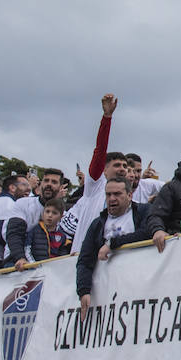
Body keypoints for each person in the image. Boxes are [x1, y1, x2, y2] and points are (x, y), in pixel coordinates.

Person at [76, 179, 152, 312]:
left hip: (142, 287)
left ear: (129, 195)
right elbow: (84, 260)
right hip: (109, 294)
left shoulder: (143, 211)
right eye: (108, 194)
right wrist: (84, 291)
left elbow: (147, 232)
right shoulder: (97, 224)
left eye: (117, 194)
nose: (112, 198)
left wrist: (112, 244)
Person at [58, 94, 123, 249]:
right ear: (104, 170)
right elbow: (100, 150)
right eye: (117, 165)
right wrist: (107, 118)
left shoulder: (127, 196)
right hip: (83, 257)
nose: (122, 169)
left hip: (110, 258)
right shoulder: (96, 186)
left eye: (125, 166)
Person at [6, 168, 66, 271]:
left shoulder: (64, 215)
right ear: (41, 183)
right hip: (17, 262)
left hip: (47, 269)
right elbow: (14, 234)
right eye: (46, 181)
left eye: (54, 182)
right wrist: (21, 258)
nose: (49, 184)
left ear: (60, 187)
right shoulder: (23, 203)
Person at [25, 199, 70, 263]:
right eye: (47, 211)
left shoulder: (62, 236)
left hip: (53, 270)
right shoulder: (34, 231)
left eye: (54, 213)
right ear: (43, 213)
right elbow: (27, 250)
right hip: (36, 269)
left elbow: (62, 257)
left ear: (61, 216)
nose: (50, 215)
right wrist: (34, 265)